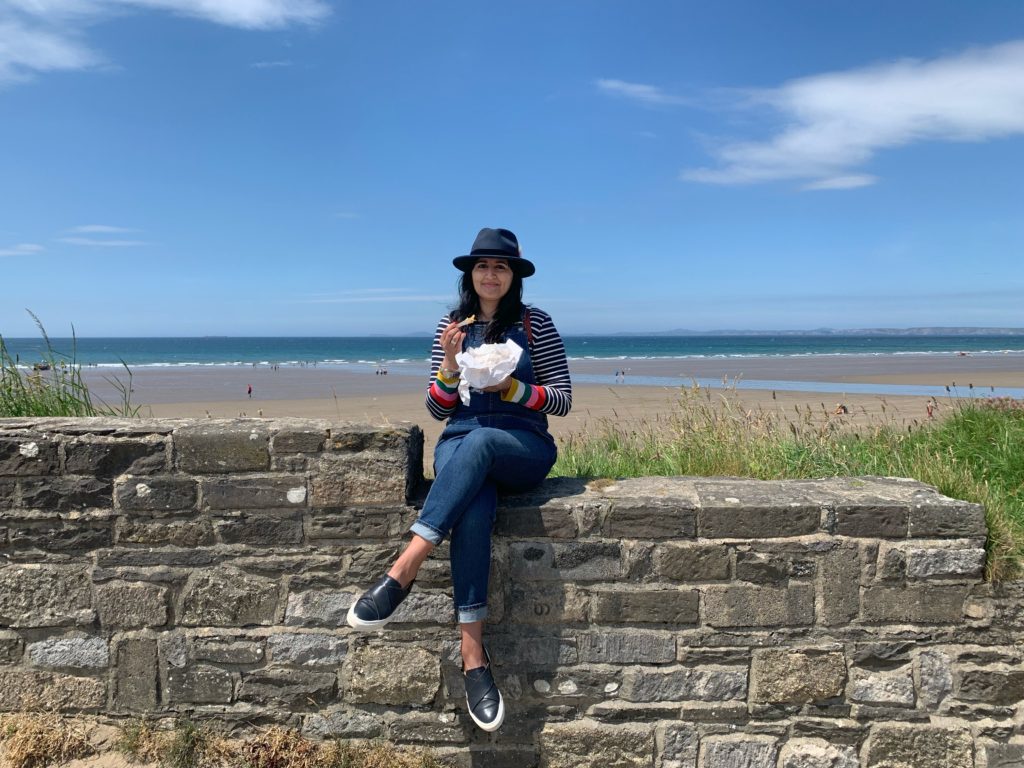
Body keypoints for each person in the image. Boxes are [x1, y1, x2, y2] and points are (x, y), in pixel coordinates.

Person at [346, 227, 572, 732]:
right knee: (472, 506)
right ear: (470, 274)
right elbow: (436, 409)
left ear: (514, 276)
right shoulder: (451, 326)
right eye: (482, 266)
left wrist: (512, 389)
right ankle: (474, 661)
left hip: (521, 444)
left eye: (501, 266)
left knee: (485, 441)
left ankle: (404, 567)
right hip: (460, 439)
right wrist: (449, 364)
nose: (491, 274)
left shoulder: (535, 324)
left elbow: (562, 398)